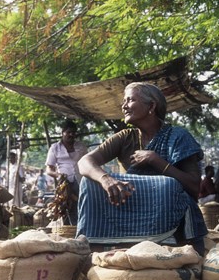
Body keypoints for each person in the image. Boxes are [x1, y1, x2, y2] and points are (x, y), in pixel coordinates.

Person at [76, 82, 207, 255]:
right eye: (124, 101)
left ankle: (165, 245)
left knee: (167, 186)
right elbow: (84, 162)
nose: (124, 106)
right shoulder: (126, 137)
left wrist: (156, 160)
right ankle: (93, 255)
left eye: (130, 100)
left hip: (170, 218)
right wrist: (105, 179)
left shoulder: (178, 137)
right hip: (131, 213)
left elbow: (194, 187)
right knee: (90, 181)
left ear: (151, 106)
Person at [45, 119, 88, 225]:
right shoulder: (55, 148)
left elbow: (88, 163)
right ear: (62, 133)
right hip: (65, 184)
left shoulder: (81, 147)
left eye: (73, 132)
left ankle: (82, 228)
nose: (71, 135)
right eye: (68, 132)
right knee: (66, 207)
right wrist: (58, 175)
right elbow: (49, 169)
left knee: (82, 205)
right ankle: (69, 230)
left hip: (81, 181)